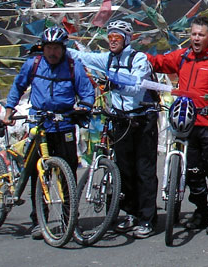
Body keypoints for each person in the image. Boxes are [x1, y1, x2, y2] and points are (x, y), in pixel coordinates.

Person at [68, 20, 160, 238]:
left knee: (144, 171)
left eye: (116, 38)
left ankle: (148, 219)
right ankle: (131, 213)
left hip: (142, 120)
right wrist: (62, 46)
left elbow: (137, 87)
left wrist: (116, 84)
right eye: (109, 38)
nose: (112, 41)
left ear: (126, 39)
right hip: (120, 120)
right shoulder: (106, 58)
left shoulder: (139, 59)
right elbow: (82, 57)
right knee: (124, 170)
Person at [4, 26, 94, 240]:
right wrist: (8, 112)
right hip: (39, 124)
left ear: (63, 49)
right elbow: (17, 87)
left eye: (56, 48)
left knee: (67, 175)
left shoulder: (74, 67)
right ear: (43, 48)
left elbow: (87, 93)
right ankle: (39, 220)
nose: (52, 52)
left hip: (64, 125)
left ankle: (69, 218)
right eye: (48, 48)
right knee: (38, 175)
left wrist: (84, 107)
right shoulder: (33, 65)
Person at [146, 16, 208, 234]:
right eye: (193, 34)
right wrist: (136, 55)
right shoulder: (182, 56)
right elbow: (159, 63)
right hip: (186, 123)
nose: (196, 38)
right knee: (193, 171)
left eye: (201, 34)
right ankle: (201, 211)